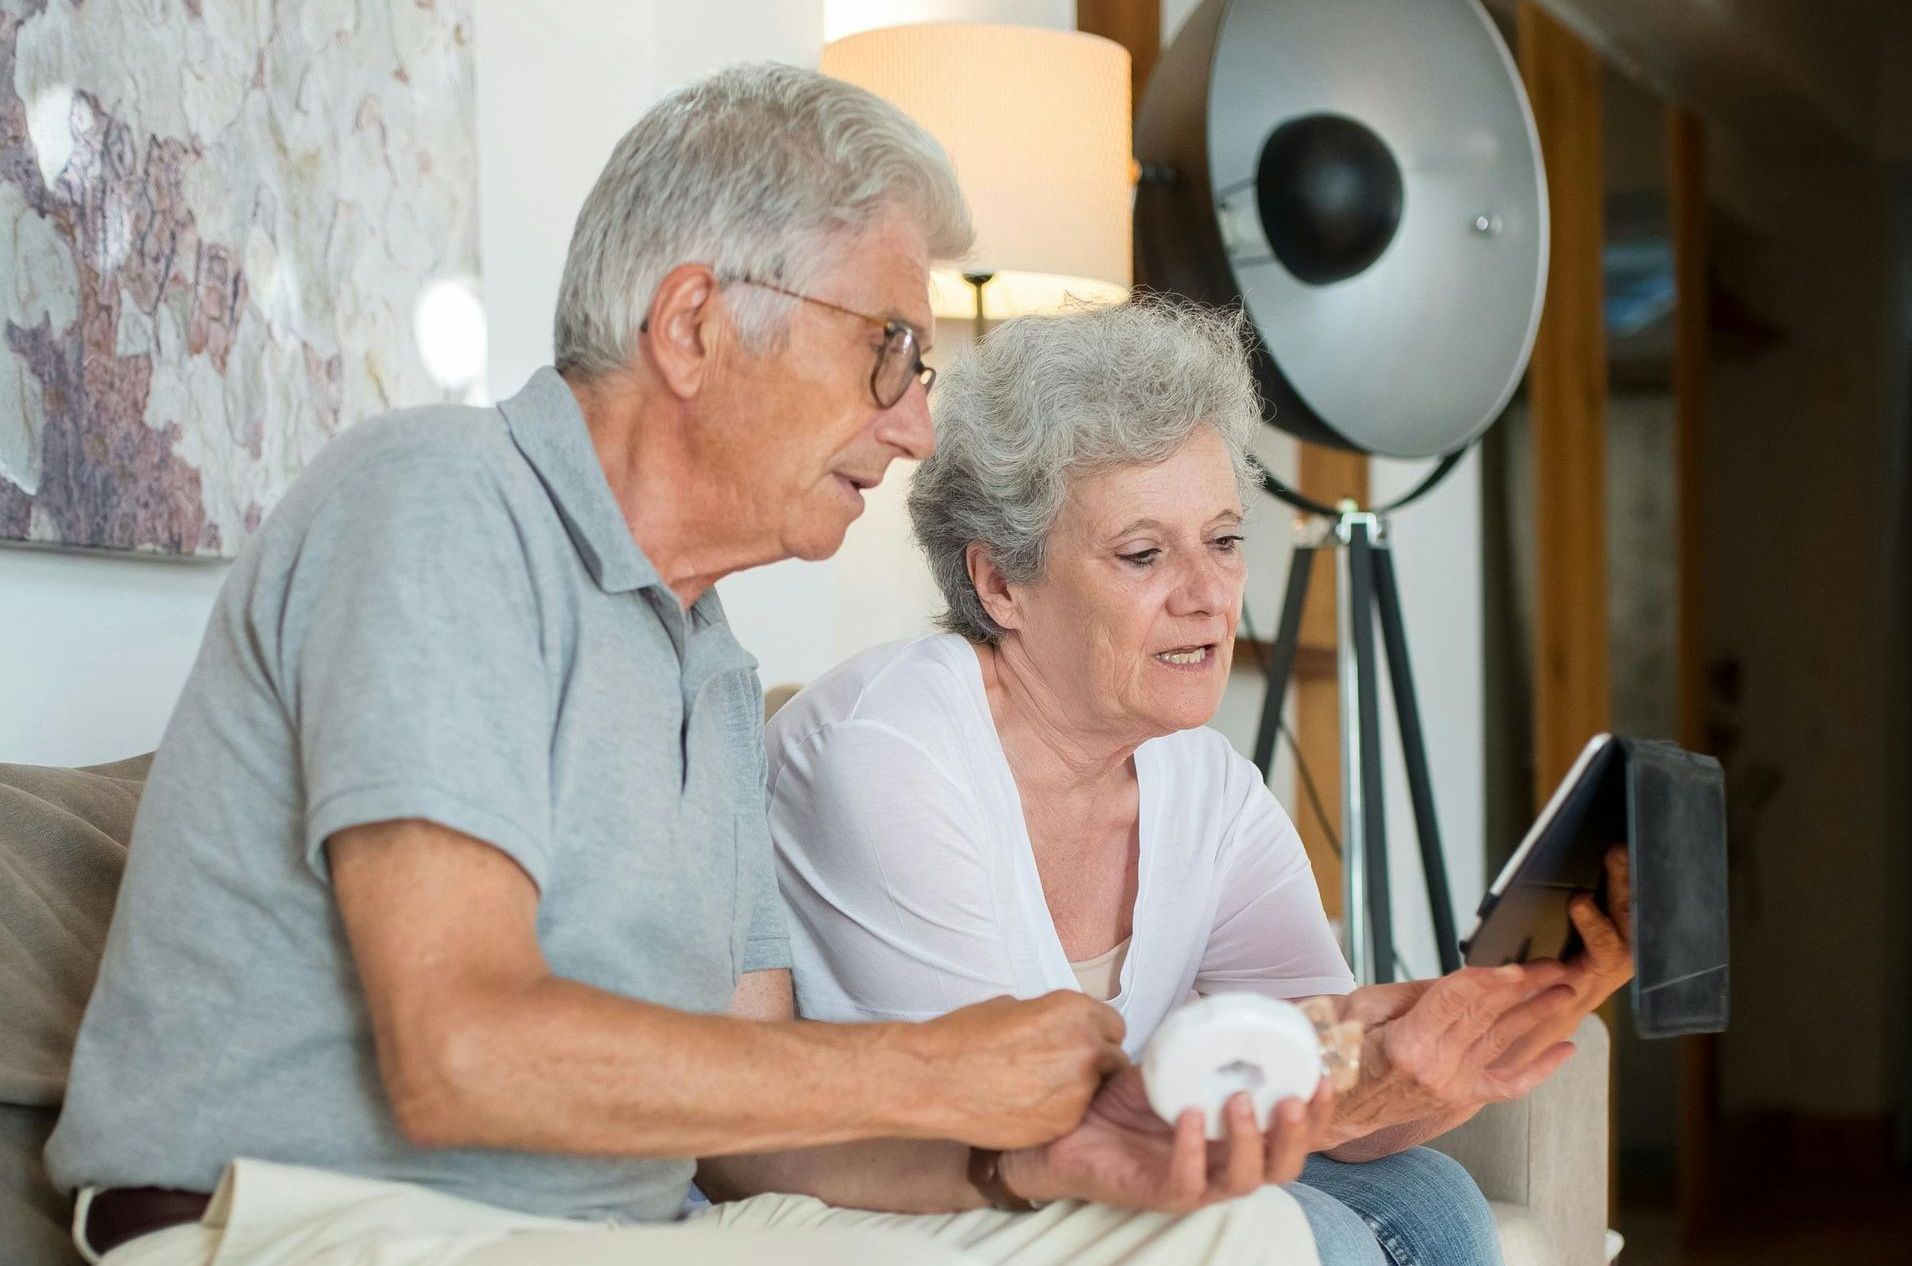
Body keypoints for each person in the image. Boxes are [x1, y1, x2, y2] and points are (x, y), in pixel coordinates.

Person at [46, 66, 1358, 1266]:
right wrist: (927, 1067)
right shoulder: (438, 506)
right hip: (300, 1220)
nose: (913, 426)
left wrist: (1026, 1159)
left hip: (616, 1225)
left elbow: (756, 1110)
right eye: (891, 350)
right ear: (691, 325)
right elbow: (460, 1047)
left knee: (1234, 1230)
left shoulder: (709, 662)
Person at [765, 299, 1638, 1265]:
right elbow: (1003, 1118)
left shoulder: (1206, 783)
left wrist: (1498, 1021)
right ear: (1002, 584)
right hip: (938, 1176)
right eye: (1144, 554)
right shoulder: (890, 753)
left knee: (1432, 1201)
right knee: (1325, 1238)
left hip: (1089, 1147)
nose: (1209, 594)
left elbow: (1332, 1085)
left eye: (1222, 540)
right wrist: (1360, 1066)